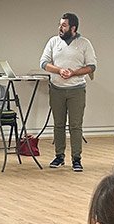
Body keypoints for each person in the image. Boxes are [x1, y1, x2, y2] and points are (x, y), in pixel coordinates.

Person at [40, 12, 97, 172]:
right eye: (60, 25)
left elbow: (91, 66)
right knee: (58, 124)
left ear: (73, 28)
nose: (60, 28)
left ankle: (76, 159)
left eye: (64, 25)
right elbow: (43, 63)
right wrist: (59, 70)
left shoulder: (84, 43)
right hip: (56, 89)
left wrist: (74, 73)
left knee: (75, 125)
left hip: (76, 90)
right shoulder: (53, 41)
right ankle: (59, 156)